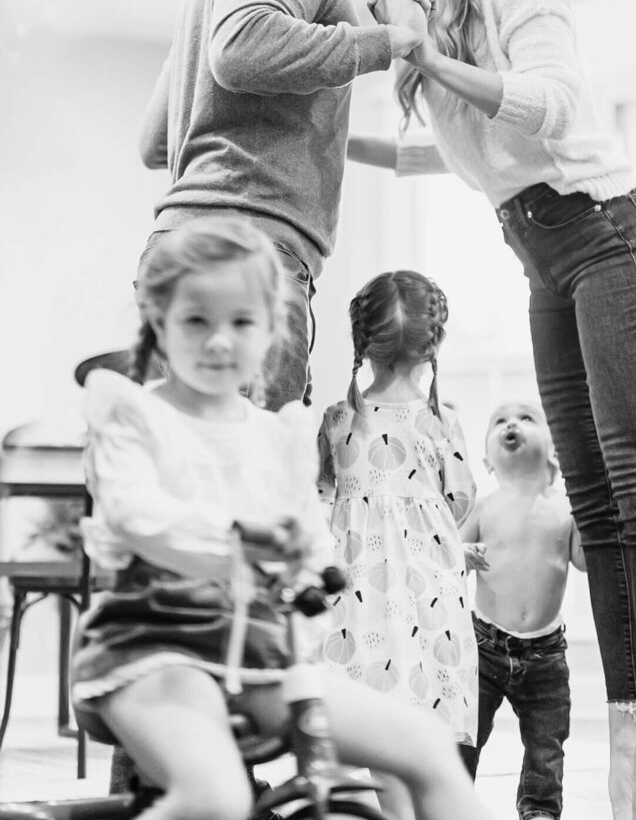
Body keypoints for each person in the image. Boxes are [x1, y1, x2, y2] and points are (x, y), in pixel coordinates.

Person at [347, 0, 636, 820]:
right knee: (592, 501)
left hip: (606, 234)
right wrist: (345, 144)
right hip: (543, 251)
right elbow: (462, 157)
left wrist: (425, 56)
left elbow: (549, 104)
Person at [71, 217, 496, 820]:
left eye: (241, 322)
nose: (220, 341)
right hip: (156, 645)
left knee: (426, 744)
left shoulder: (279, 436)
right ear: (158, 321)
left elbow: (313, 534)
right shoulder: (133, 415)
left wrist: (315, 561)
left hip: (263, 656)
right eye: (197, 320)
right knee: (215, 795)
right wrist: (241, 539)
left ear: (270, 328)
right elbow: (140, 515)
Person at [137, 0, 433, 413]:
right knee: (244, 500)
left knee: (190, 498)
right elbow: (240, 48)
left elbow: (157, 140)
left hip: (187, 248)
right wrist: (386, 44)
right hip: (248, 261)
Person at [318, 270, 479, 820]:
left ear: (362, 343)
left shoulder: (338, 420)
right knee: (421, 714)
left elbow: (322, 497)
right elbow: (460, 501)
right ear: (434, 345)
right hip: (428, 591)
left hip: (359, 591)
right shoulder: (441, 422)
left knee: (375, 711)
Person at [459, 401, 586, 820]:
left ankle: (539, 810)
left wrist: (588, 513)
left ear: (552, 449)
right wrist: (462, 553)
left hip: (546, 653)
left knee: (546, 743)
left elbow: (583, 561)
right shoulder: (484, 505)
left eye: (527, 418)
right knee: (467, 735)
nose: (512, 423)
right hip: (485, 647)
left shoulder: (565, 509)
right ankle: (453, 802)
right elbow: (450, 555)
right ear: (487, 461)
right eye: (500, 420)